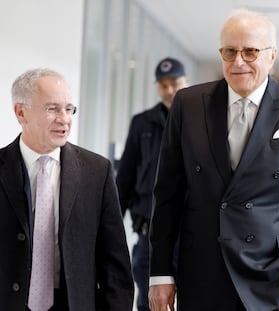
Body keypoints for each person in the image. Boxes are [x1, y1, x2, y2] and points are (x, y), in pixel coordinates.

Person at [148, 9, 279, 311]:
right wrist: (159, 274)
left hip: (276, 271)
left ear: (272, 55)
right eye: (229, 51)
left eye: (250, 52)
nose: (238, 62)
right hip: (203, 269)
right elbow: (166, 195)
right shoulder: (188, 104)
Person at [0, 68, 134, 310]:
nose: (64, 119)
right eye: (52, 109)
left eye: (69, 109)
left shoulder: (97, 172)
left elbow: (116, 267)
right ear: (21, 112)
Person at [116, 57, 188, 311]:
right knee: (149, 303)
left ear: (186, 82)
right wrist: (110, 229)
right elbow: (124, 177)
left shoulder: (200, 121)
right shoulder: (142, 123)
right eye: (163, 85)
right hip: (148, 236)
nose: (169, 90)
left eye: (174, 83)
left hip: (188, 236)